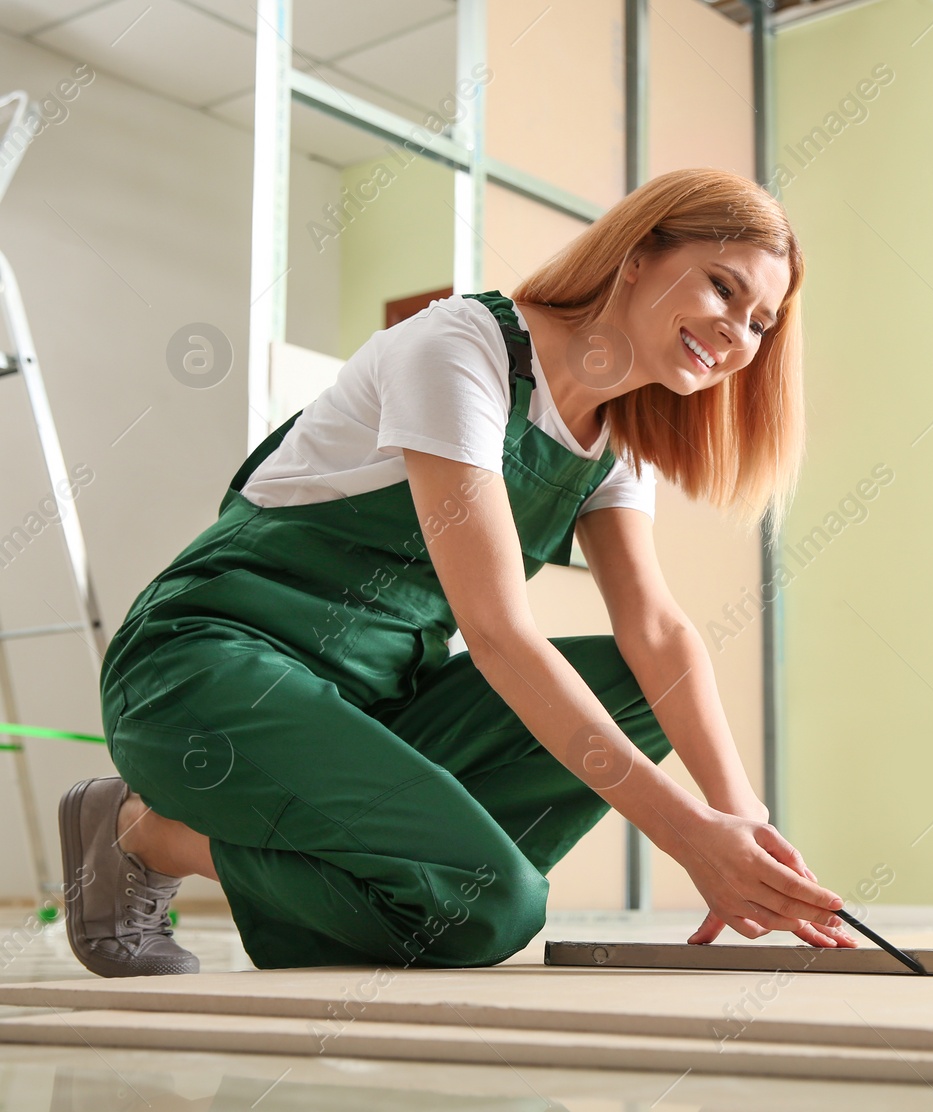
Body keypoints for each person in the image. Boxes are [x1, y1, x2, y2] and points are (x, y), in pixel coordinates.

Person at [58, 167, 857, 977]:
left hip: (373, 709)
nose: (737, 334)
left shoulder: (614, 443)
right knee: (492, 908)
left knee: (623, 699)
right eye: (723, 289)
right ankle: (141, 833)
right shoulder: (462, 350)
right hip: (208, 673)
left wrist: (742, 822)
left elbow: (658, 633)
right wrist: (688, 837)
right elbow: (500, 634)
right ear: (638, 255)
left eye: (760, 323)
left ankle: (390, 889)